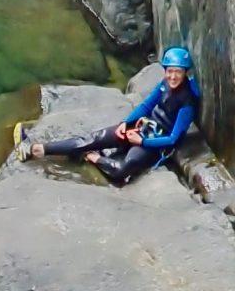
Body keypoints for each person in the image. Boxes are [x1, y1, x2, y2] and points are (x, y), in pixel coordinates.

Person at [21, 45, 201, 186]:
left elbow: (172, 139)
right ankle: (39, 149)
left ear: (185, 73)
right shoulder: (164, 84)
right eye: (170, 71)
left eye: (178, 72)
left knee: (123, 169)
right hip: (142, 126)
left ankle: (94, 157)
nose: (173, 76)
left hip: (154, 142)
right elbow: (146, 106)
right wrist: (126, 123)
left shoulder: (187, 102)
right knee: (93, 138)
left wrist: (142, 142)